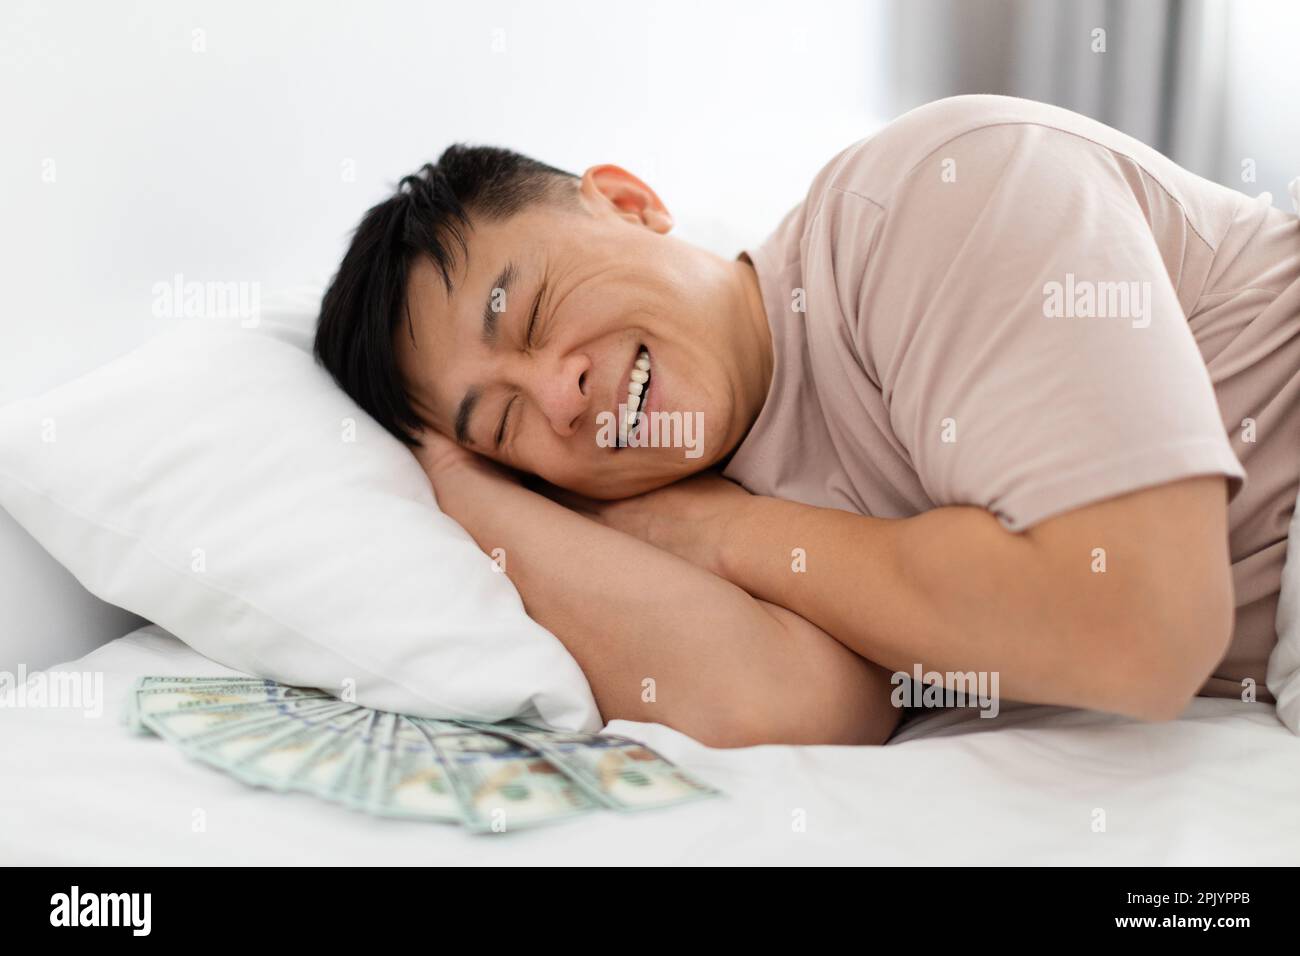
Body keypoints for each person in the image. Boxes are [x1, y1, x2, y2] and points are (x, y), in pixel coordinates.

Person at [314, 95, 1300, 747]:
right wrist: (452, 482)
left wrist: (718, 532)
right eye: (505, 422)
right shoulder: (720, 498)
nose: (561, 396)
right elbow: (767, 703)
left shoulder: (927, 202)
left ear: (628, 202)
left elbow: (1139, 623)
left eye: (526, 313)